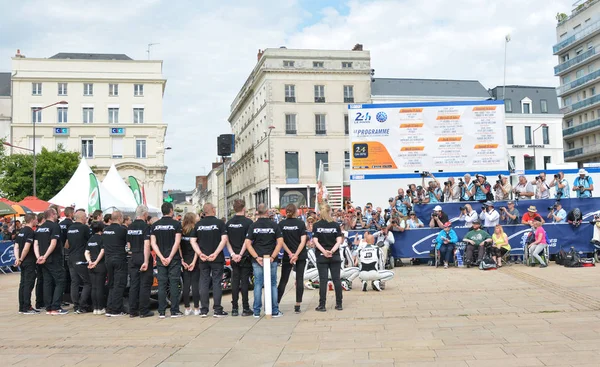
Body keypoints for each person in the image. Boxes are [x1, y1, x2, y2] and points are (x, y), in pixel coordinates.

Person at [244, 203, 284, 318]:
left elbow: (248, 243)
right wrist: (272, 256)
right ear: (267, 212)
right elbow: (280, 242)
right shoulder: (274, 225)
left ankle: (256, 311)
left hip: (258, 259)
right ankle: (274, 310)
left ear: (257, 212)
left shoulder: (253, 226)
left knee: (258, 284)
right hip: (271, 258)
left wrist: (256, 257)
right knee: (272, 284)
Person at [191, 203, 227, 318]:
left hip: (203, 258)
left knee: (204, 283)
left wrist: (200, 253)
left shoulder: (198, 224)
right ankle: (217, 309)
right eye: (215, 208)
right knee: (216, 282)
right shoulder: (220, 223)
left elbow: (192, 241)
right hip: (216, 258)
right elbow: (224, 240)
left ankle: (204, 310)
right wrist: (215, 253)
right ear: (212, 210)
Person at [151, 202, 184, 318]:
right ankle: (174, 310)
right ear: (171, 210)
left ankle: (161, 311)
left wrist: (161, 256)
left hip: (161, 259)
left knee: (162, 284)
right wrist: (170, 257)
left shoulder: (155, 225)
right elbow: (177, 242)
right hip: (173, 259)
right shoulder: (176, 224)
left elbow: (153, 244)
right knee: (174, 283)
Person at [34, 209, 67, 315]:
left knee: (47, 282)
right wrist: (45, 256)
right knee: (60, 281)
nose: (57, 216)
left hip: (43, 260)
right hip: (53, 259)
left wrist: (39, 256)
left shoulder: (40, 228)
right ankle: (56, 307)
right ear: (53, 215)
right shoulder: (54, 226)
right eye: (56, 214)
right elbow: (53, 243)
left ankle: (48, 307)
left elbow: (36, 244)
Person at [312, 203, 343, 312]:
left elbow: (315, 241)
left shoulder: (316, 225)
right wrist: (332, 251)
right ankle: (339, 304)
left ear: (320, 212)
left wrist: (324, 251)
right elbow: (339, 241)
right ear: (330, 211)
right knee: (336, 279)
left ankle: (322, 305)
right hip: (334, 255)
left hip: (322, 256)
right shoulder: (335, 225)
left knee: (323, 280)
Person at [277, 203, 308, 313]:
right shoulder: (300, 224)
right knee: (299, 279)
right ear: (296, 211)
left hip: (287, 255)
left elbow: (281, 242)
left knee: (283, 280)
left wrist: (290, 253)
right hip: (300, 255)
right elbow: (303, 241)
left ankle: (276, 303)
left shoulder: (281, 224)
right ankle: (297, 305)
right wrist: (296, 254)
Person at [226, 199, 254, 317]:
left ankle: (234, 308)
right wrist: (241, 254)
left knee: (235, 282)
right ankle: (246, 307)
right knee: (244, 282)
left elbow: (226, 240)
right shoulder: (248, 223)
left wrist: (233, 254)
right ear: (244, 208)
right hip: (245, 256)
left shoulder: (229, 223)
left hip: (234, 257)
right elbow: (247, 241)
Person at [127, 205, 154, 318]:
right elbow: (147, 244)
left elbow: (128, 245)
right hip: (143, 256)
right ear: (145, 214)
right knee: (145, 284)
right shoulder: (146, 227)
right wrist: (146, 261)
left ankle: (132, 310)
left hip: (133, 256)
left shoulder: (130, 226)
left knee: (134, 284)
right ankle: (144, 310)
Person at [103, 211, 128, 317]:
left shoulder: (105, 230)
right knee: (119, 284)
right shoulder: (122, 230)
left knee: (111, 284)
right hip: (119, 259)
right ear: (119, 218)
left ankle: (109, 307)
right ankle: (116, 310)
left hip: (108, 259)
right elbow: (127, 244)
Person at [65, 211, 91, 314]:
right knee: (87, 282)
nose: (86, 219)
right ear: (82, 217)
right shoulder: (84, 228)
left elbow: (67, 244)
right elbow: (90, 241)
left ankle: (76, 305)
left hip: (71, 257)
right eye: (85, 217)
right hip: (80, 258)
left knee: (74, 282)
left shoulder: (70, 228)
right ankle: (82, 304)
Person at [14, 213, 38, 314]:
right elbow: (26, 247)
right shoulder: (30, 232)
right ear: (32, 220)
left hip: (22, 261)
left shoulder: (21, 232)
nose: (37, 221)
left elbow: (16, 247)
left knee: (22, 283)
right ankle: (27, 306)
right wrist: (21, 259)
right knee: (28, 283)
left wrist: (17, 258)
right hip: (29, 261)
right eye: (36, 219)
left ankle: (21, 306)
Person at [179, 212, 200, 316]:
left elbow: (179, 247)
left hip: (185, 260)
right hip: (194, 260)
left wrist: (182, 260)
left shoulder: (181, 231)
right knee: (195, 284)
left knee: (186, 285)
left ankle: (187, 308)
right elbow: (197, 248)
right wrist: (194, 262)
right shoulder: (195, 230)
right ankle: (196, 308)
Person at [85, 221, 106, 315]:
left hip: (91, 266)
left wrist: (90, 262)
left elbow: (86, 252)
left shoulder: (90, 239)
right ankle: (101, 307)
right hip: (100, 265)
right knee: (100, 287)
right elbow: (102, 251)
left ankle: (95, 308)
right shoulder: (102, 238)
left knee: (94, 287)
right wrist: (96, 262)